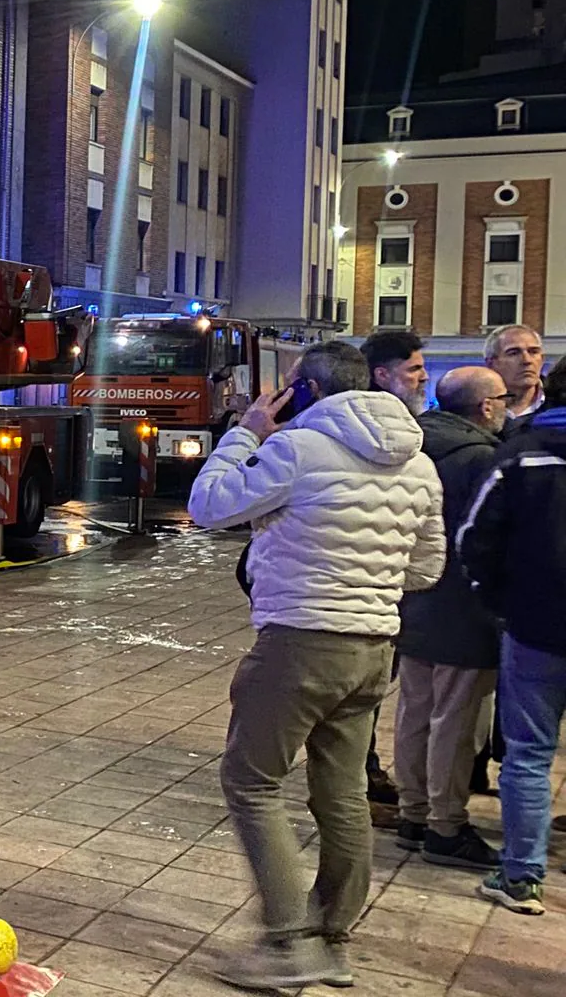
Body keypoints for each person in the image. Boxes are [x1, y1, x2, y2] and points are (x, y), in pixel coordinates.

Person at [189, 341, 444, 989]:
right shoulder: (418, 463)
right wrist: (371, 581)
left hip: (301, 641)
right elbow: (427, 567)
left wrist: (244, 435)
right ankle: (332, 938)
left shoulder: (296, 449)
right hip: (373, 648)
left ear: (307, 391)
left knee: (250, 781)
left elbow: (208, 505)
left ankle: (285, 943)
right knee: (343, 792)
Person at [390, 367, 509, 870]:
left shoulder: (414, 448)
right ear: (485, 407)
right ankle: (445, 825)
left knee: (415, 712)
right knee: (457, 723)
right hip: (465, 607)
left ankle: (412, 814)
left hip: (415, 598)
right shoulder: (484, 458)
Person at [461, 359, 566, 916]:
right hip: (532, 622)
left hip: (536, 627)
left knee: (528, 754)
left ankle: (522, 876)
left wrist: (498, 604)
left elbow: (475, 536)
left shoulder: (523, 455)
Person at [356, 328, 427, 819]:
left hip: (386, 587)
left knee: (370, 690)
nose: (424, 378)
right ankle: (357, 776)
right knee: (359, 692)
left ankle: (361, 770)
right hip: (364, 590)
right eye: (414, 370)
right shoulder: (371, 436)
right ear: (382, 375)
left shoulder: (412, 432)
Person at [483, 323, 546, 426]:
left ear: (542, 360)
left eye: (533, 352)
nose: (527, 360)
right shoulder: (474, 408)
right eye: (514, 353)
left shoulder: (560, 402)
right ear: (491, 363)